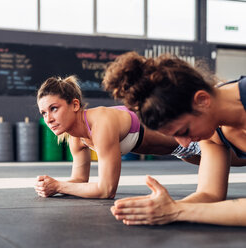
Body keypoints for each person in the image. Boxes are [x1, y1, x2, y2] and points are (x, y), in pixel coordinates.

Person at [34, 75, 243, 200]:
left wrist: (60, 186)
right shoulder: (75, 139)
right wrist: (53, 186)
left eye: (54, 109)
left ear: (75, 105)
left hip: (196, 133)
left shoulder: (101, 122)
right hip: (181, 149)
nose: (49, 118)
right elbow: (80, 181)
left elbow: (106, 190)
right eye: (44, 113)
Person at [103, 51, 246, 226]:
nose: (185, 144)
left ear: (202, 100)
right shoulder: (213, 132)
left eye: (184, 131)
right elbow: (210, 194)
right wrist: (163, 208)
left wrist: (177, 211)